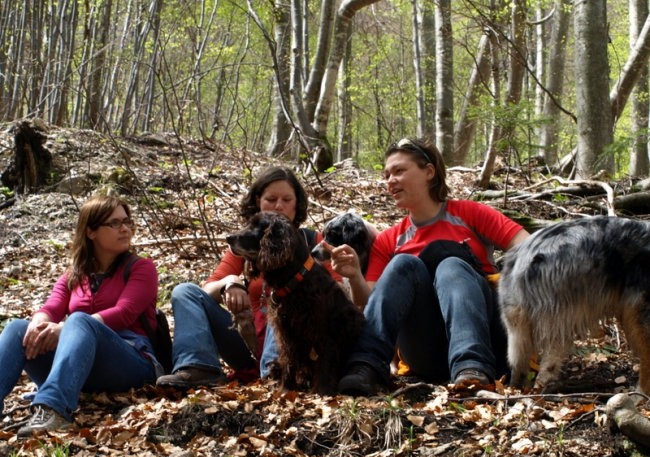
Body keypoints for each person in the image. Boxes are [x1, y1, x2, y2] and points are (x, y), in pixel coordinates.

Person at [327, 138, 530, 396]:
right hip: (425, 351)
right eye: (387, 174)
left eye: (399, 171)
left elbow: (531, 250)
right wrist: (355, 274)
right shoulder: (390, 239)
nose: (390, 180)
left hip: (489, 341)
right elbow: (369, 300)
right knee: (403, 263)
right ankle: (366, 366)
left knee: (451, 267)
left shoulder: (470, 214)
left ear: (429, 172)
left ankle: (472, 369)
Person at [156, 165, 329, 389]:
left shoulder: (312, 242)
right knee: (184, 292)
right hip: (247, 348)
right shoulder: (247, 243)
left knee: (286, 299)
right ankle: (198, 368)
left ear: (297, 205)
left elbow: (333, 300)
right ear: (258, 201)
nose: (279, 206)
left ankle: (276, 374)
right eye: (271, 198)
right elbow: (206, 291)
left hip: (297, 348)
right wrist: (229, 283)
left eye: (287, 199)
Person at [0, 195, 160, 436]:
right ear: (91, 232)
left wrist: (65, 329)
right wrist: (39, 323)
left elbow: (124, 313)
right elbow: (51, 307)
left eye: (127, 221)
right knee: (17, 327)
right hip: (82, 368)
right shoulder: (75, 274)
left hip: (131, 362)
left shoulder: (141, 268)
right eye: (114, 223)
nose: (125, 228)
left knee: (78, 320)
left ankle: (53, 408)